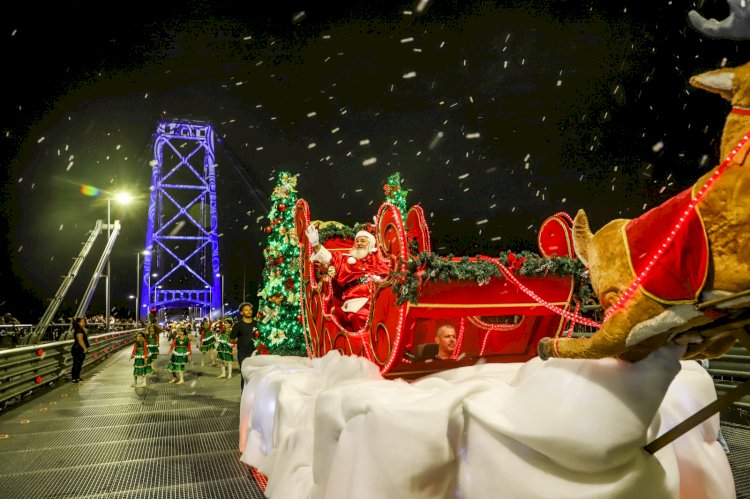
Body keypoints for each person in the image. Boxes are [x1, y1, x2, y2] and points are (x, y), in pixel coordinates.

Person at [305, 224, 390, 331]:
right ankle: (362, 346)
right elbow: (329, 258)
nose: (359, 243)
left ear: (371, 245)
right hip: (357, 302)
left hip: (379, 300)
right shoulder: (345, 260)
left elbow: (393, 273)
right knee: (362, 317)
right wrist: (316, 245)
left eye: (363, 241)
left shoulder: (380, 261)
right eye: (357, 241)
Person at [230, 303, 259, 390]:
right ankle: (244, 396)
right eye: (246, 310)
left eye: (250, 309)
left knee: (256, 375)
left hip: (257, 352)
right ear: (242, 313)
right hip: (243, 353)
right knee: (245, 375)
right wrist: (241, 340)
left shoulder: (257, 324)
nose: (249, 311)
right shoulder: (238, 325)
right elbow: (231, 339)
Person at [70, 317, 89, 383]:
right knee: (77, 363)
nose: (84, 323)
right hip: (78, 349)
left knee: (79, 363)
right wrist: (85, 348)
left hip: (78, 349)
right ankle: (74, 378)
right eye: (82, 322)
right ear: (78, 323)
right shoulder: (79, 330)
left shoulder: (80, 329)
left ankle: (77, 377)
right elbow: (80, 340)